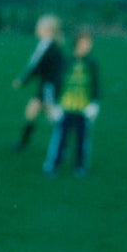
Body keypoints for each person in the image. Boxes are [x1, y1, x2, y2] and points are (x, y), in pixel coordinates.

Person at [43, 30, 100, 178]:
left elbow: (95, 85)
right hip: (65, 108)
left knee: (82, 140)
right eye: (84, 43)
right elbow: (54, 83)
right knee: (60, 139)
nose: (87, 46)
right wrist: (54, 105)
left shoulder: (91, 63)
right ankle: (53, 165)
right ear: (77, 44)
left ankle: (80, 166)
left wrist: (94, 104)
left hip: (83, 109)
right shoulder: (66, 62)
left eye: (89, 43)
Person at [11, 15, 64, 152]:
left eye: (39, 26)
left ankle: (63, 142)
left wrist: (22, 81)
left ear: (48, 30)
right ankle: (23, 143)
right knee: (31, 111)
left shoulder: (50, 47)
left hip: (49, 86)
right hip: (46, 85)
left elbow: (37, 67)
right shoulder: (45, 44)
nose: (37, 28)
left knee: (52, 115)